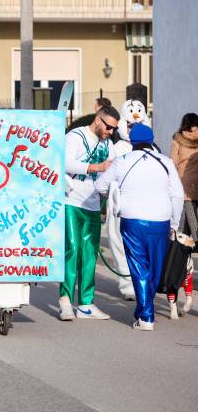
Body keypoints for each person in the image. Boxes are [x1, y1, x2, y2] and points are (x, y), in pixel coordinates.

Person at [95, 124, 183, 330]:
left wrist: (115, 194)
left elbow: (100, 186)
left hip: (132, 219)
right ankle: (145, 310)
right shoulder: (166, 162)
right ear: (152, 140)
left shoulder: (122, 161)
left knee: (139, 266)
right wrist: (174, 222)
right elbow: (177, 194)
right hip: (161, 220)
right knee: (155, 267)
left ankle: (145, 316)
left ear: (131, 141)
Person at [60, 105, 119, 321]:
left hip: (94, 203)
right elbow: (64, 162)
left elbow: (114, 168)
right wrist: (97, 167)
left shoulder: (108, 143)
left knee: (90, 254)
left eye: (114, 129)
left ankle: (86, 303)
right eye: (109, 127)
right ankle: (65, 300)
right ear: (98, 120)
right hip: (71, 200)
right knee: (72, 249)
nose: (111, 132)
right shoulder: (75, 136)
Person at [168, 112, 198, 315]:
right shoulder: (177, 140)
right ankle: (180, 265)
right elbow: (172, 162)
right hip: (184, 187)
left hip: (196, 186)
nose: (195, 131)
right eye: (193, 128)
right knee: (187, 228)